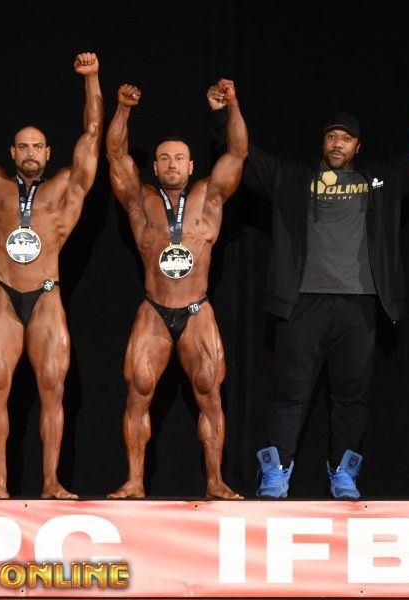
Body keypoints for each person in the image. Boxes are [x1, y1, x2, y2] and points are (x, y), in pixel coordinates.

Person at [209, 75, 409, 499]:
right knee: (289, 395)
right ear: (323, 143)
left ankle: (344, 475)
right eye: (332, 137)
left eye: (346, 139)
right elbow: (241, 153)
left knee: (351, 398)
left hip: (360, 307)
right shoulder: (292, 178)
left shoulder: (380, 180)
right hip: (302, 303)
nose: (338, 144)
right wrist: (227, 110)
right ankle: (275, 474)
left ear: (358, 146)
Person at [0, 51, 103, 499]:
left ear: (48, 153)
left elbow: (93, 132)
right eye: (23, 146)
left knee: (53, 390)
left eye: (38, 146)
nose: (31, 152)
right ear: (13, 152)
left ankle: (52, 482)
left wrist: (91, 79)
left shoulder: (65, 187)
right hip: (4, 296)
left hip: (47, 298)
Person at [105, 79, 247, 499]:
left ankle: (215, 481)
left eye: (179, 158)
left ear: (190, 165)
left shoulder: (209, 198)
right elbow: (115, 154)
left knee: (210, 393)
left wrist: (233, 106)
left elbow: (237, 152)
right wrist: (123, 109)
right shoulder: (141, 201)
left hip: (197, 309)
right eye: (164, 158)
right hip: (154, 308)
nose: (171, 164)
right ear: (155, 167)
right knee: (138, 390)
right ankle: (134, 481)